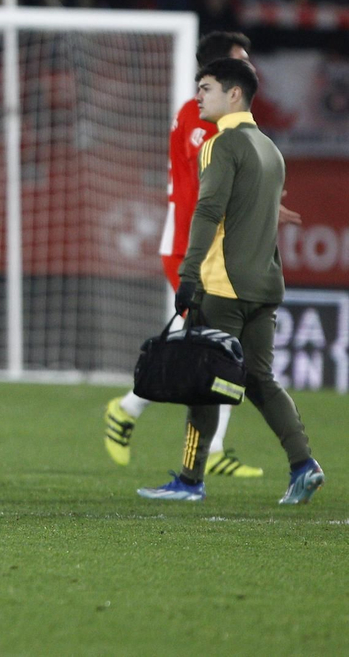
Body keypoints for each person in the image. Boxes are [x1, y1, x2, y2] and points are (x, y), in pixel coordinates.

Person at [105, 32, 296, 477]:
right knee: (212, 349)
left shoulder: (212, 119)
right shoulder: (200, 119)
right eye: (240, 61)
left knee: (217, 347)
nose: (249, 68)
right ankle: (137, 415)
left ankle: (147, 420)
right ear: (222, 74)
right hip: (191, 248)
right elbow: (212, 194)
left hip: (208, 249)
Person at [138, 59, 325, 505]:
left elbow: (207, 213)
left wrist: (188, 275)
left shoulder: (221, 146)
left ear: (233, 94)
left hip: (222, 286)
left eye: (206, 88)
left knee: (201, 380)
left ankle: (188, 479)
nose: (198, 97)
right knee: (260, 379)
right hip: (264, 285)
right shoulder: (270, 150)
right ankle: (304, 464)